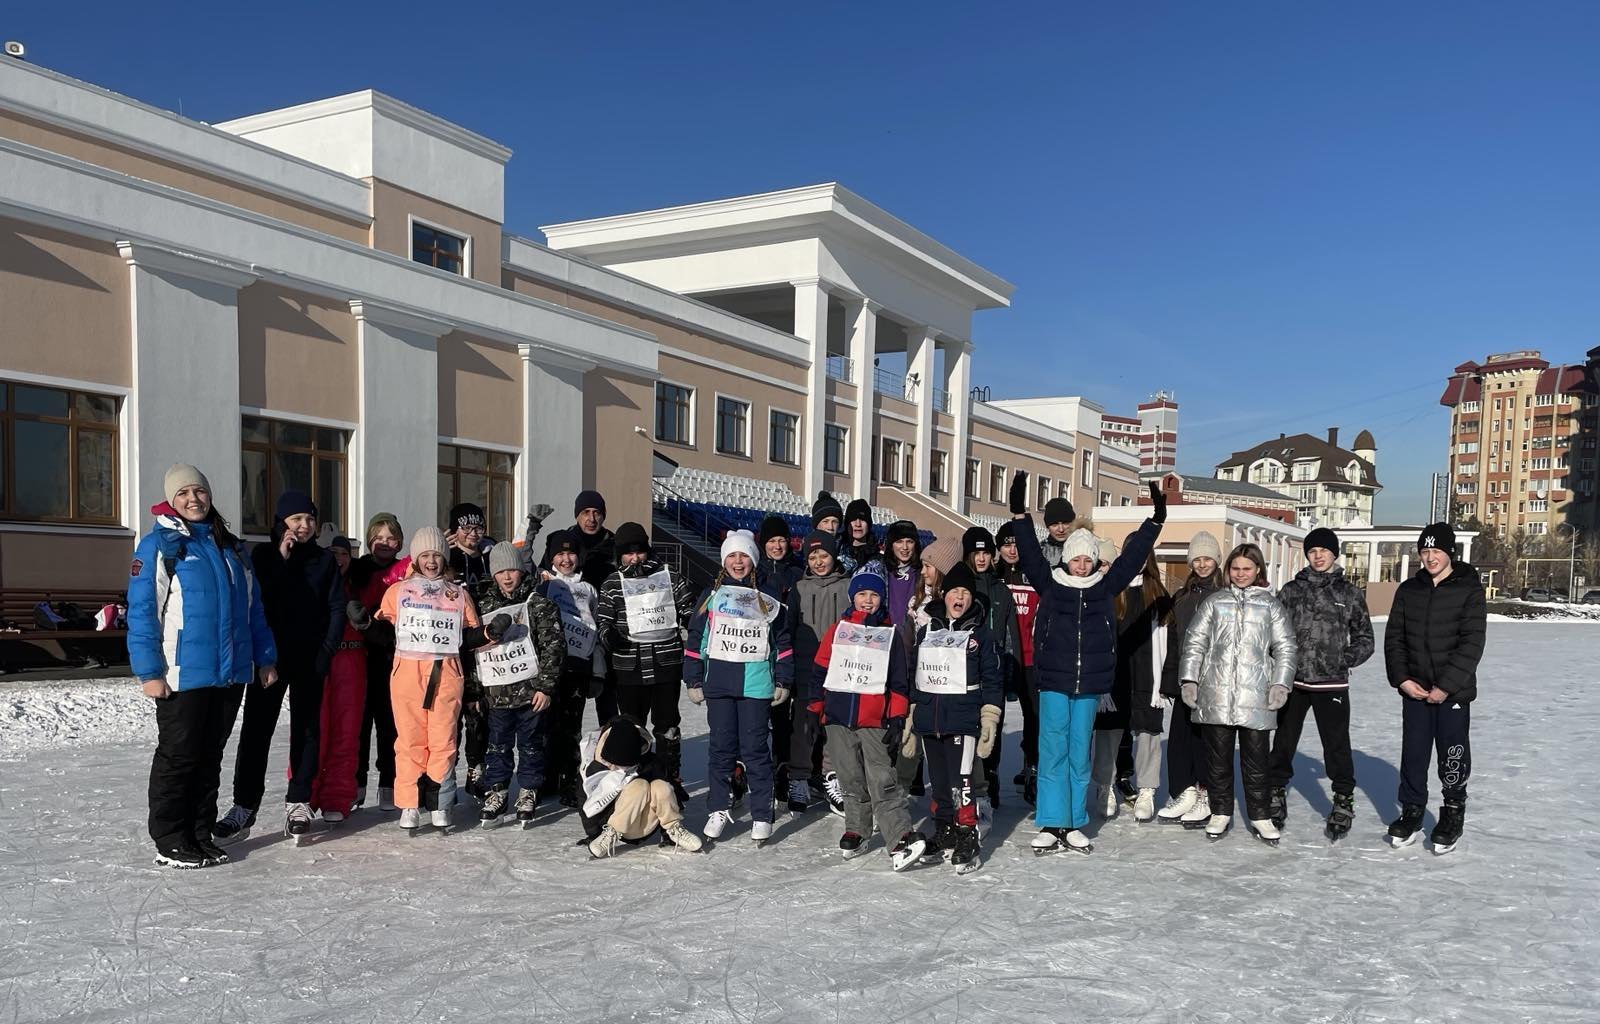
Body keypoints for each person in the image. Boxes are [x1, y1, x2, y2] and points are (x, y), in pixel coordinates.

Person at [1010, 470, 1165, 855]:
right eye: (1075, 558)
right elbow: (1029, 553)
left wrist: (1156, 520)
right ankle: (1050, 821)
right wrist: (1018, 514)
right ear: (1066, 558)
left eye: (1087, 559)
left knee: (1080, 753)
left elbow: (1131, 559)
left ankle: (1074, 821)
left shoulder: (1103, 587)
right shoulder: (1051, 583)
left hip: (1088, 685)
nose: (1081, 565)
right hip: (1053, 682)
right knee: (1052, 752)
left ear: (1095, 560)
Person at [131, 465, 277, 868]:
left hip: (229, 673)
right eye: (184, 494)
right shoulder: (159, 545)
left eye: (199, 491)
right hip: (182, 673)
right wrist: (150, 672)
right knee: (179, 756)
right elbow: (143, 612)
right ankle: (170, 838)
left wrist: (264, 658)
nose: (194, 499)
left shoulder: (230, 547)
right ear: (172, 501)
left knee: (210, 755)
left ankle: (199, 833)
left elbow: (253, 610)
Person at [215, 491, 344, 845]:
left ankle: (298, 801)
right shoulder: (263, 556)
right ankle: (244, 807)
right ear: (281, 523)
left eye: (309, 519)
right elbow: (260, 601)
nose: (303, 525)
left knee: (307, 730)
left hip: (310, 659)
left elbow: (336, 607)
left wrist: (326, 652)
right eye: (296, 519)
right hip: (269, 660)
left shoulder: (324, 561)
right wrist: (282, 559)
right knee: (257, 731)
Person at [1178, 543, 1298, 843]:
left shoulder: (1271, 606)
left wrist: (1281, 683)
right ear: (1228, 571)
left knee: (1256, 760)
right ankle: (1220, 812)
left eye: (1247, 568)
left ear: (1258, 570)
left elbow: (1286, 647)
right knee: (1217, 759)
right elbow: (1195, 642)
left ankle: (1260, 815)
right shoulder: (1215, 603)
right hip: (1216, 693)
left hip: (1256, 695)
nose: (1241, 574)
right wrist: (1190, 679)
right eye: (1235, 568)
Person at [377, 527, 494, 833]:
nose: (431, 561)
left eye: (437, 556)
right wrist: (363, 621)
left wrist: (489, 634)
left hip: (445, 672)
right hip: (407, 673)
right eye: (425, 555)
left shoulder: (458, 593)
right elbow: (382, 630)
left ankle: (441, 802)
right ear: (416, 559)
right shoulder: (398, 592)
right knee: (410, 739)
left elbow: (470, 636)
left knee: (443, 739)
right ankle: (410, 803)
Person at [684, 530, 794, 844]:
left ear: (753, 560)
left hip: (756, 685)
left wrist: (783, 679)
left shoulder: (768, 597)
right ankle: (718, 808)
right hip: (718, 684)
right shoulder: (711, 595)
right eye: (732, 556)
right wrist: (693, 677)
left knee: (756, 751)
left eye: (743, 555)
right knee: (720, 750)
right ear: (723, 561)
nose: (737, 562)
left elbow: (782, 643)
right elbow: (696, 639)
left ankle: (761, 813)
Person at [812, 565, 925, 869]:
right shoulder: (838, 630)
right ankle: (857, 828)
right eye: (862, 593)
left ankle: (899, 837)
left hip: (875, 720)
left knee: (881, 778)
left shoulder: (890, 634)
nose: (867, 600)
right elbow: (821, 668)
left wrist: (898, 717)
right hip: (838, 717)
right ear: (852, 596)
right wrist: (815, 707)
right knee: (849, 776)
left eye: (874, 594)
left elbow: (900, 682)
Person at [1383, 523, 1485, 855]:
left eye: (1436, 551)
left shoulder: (1468, 589)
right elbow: (1394, 639)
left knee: (1452, 754)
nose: (1430, 558)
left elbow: (1472, 643)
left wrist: (1446, 686)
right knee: (1413, 753)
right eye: (1425, 552)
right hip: (1415, 690)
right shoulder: (1409, 590)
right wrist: (1402, 679)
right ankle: (1411, 810)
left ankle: (1452, 811)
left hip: (1452, 693)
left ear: (1449, 553)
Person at [1268, 527, 1375, 841]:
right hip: (1294, 682)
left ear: (1334, 554)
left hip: (1332, 684)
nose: (1318, 556)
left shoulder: (1349, 593)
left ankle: (1343, 800)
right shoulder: (1290, 591)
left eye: (1324, 551)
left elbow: (1366, 638)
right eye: (1313, 551)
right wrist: (1278, 665)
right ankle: (1275, 792)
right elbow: (1273, 632)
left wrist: (1344, 659)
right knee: (1284, 741)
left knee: (1337, 745)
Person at [909, 562, 1005, 873]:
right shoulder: (928, 630)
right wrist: (913, 716)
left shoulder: (982, 636)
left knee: (962, 780)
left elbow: (992, 679)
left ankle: (966, 833)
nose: (959, 597)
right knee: (937, 783)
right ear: (945, 595)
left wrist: (989, 717)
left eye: (965, 592)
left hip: (963, 718)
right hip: (930, 718)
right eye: (954, 592)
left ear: (972, 598)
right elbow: (916, 674)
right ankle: (944, 828)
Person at [595, 522, 698, 803]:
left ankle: (669, 777)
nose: (635, 559)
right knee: (631, 726)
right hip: (629, 666)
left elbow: (688, 608)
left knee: (667, 725)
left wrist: (690, 620)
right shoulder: (613, 582)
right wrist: (610, 637)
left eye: (639, 552)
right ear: (620, 556)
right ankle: (634, 780)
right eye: (628, 554)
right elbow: (602, 619)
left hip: (665, 662)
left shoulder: (669, 577)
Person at [470, 543, 567, 825]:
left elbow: (553, 647)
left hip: (530, 695)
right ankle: (497, 790)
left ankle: (528, 790)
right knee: (496, 745)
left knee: (531, 745)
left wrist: (546, 687)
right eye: (501, 572)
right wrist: (476, 691)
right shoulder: (483, 606)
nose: (508, 577)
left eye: (512, 570)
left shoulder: (538, 603)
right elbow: (475, 652)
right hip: (497, 695)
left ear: (522, 571)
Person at [1094, 549, 1174, 823]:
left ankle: (1147, 790)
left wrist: (1166, 679)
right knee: (1109, 732)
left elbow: (1170, 636)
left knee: (1148, 733)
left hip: (1147, 675)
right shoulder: (1111, 589)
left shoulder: (1159, 592)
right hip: (1114, 674)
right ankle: (1105, 787)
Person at [1156, 531, 1223, 827]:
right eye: (1197, 558)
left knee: (1206, 740)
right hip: (1186, 680)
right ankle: (1184, 791)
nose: (1202, 564)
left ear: (1217, 561)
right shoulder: (1182, 597)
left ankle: (1207, 792)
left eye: (1208, 558)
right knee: (1180, 740)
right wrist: (1170, 679)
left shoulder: (1225, 595)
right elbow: (1173, 640)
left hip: (1214, 681)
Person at [539, 528, 608, 807]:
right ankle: (544, 778)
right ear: (552, 557)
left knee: (571, 727)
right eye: (560, 553)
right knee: (545, 725)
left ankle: (569, 781)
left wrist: (597, 669)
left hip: (577, 667)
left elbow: (597, 629)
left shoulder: (588, 588)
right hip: (547, 668)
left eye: (570, 553)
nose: (566, 559)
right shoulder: (544, 584)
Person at [786, 530, 852, 816]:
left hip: (839, 670)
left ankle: (831, 776)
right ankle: (799, 778)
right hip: (806, 670)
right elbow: (788, 630)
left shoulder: (847, 586)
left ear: (833, 556)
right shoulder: (799, 589)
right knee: (803, 728)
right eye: (812, 557)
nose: (818, 561)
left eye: (823, 555)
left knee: (834, 728)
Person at [579, 717, 704, 857]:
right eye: (616, 764)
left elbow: (671, 793)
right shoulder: (594, 763)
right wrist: (593, 834)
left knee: (661, 786)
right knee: (638, 786)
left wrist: (666, 832)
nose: (620, 768)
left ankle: (674, 830)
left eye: (625, 764)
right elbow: (584, 799)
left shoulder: (651, 762)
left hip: (648, 822)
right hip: (617, 823)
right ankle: (609, 835)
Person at [961, 527, 1019, 809]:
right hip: (966, 673)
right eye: (976, 552)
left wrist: (1010, 677)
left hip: (994, 673)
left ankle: (991, 776)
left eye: (986, 552)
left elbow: (1010, 637)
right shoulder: (962, 587)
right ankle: (968, 780)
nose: (982, 558)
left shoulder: (1001, 590)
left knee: (991, 727)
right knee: (967, 727)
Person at [311, 534, 366, 824]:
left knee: (346, 730)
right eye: (333, 553)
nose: (339, 559)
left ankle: (338, 795)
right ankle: (305, 794)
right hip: (320, 659)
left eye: (344, 553)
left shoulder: (359, 582)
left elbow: (393, 574)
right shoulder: (314, 580)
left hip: (352, 659)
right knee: (314, 730)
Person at [354, 512, 403, 811]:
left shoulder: (407, 571)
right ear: (370, 539)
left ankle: (389, 781)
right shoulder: (359, 569)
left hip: (392, 656)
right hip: (361, 655)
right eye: (379, 537)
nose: (385, 543)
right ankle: (357, 781)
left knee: (389, 724)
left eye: (391, 537)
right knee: (360, 723)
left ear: (399, 542)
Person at [995, 521, 1041, 805]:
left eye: (1016, 544)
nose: (1012, 550)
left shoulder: (1033, 574)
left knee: (1034, 716)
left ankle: (1032, 767)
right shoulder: (994, 575)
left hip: (1031, 658)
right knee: (994, 717)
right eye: (1006, 544)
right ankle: (990, 774)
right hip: (1002, 657)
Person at [758, 513, 802, 792]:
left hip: (788, 651)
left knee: (784, 716)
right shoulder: (754, 571)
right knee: (757, 717)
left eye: (782, 540)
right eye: (772, 540)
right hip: (758, 654)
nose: (777, 546)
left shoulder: (797, 572)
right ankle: (757, 771)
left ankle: (783, 766)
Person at [842, 498, 879, 573]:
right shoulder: (838, 554)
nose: (858, 524)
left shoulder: (878, 558)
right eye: (853, 519)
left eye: (862, 520)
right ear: (847, 524)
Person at [1041, 496, 1076, 568]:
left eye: (1065, 523)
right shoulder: (1040, 551)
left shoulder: (1085, 547)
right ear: (1048, 526)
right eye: (1054, 524)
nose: (1061, 529)